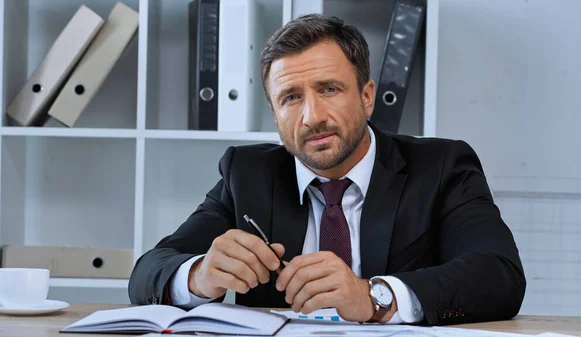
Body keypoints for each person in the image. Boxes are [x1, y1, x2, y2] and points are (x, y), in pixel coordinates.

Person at [128, 14, 526, 326]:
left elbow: (499, 275)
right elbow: (148, 271)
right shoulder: (247, 173)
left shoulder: (441, 167)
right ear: (275, 114)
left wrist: (372, 297)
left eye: (329, 90)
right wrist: (199, 276)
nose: (311, 117)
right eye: (291, 98)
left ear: (367, 97)